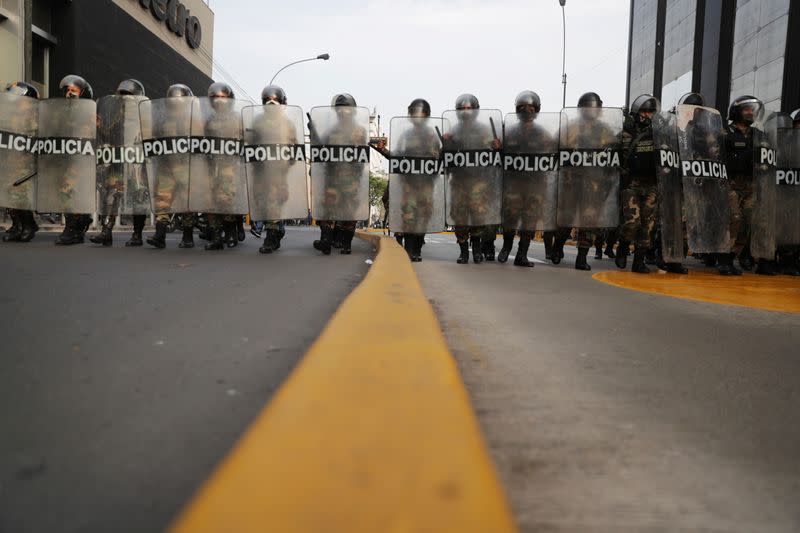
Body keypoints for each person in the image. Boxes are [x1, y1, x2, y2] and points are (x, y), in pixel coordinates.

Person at [498, 90, 559, 267]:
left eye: (531, 108)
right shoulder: (508, 132)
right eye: (523, 108)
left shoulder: (543, 134)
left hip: (536, 186)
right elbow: (499, 157)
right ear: (517, 110)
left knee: (529, 221)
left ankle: (522, 254)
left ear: (537, 110)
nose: (527, 111)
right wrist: (497, 148)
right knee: (510, 219)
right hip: (513, 185)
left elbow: (552, 157)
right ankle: (506, 248)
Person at [443, 94, 502, 264]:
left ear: (475, 111)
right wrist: (446, 144)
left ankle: (476, 250)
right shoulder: (453, 131)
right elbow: (446, 157)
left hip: (479, 183)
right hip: (459, 182)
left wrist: (498, 147)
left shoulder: (484, 130)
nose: (466, 112)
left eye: (469, 109)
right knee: (460, 219)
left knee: (478, 217)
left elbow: (494, 156)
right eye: (462, 109)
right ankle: (463, 252)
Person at [90, 79, 147, 246]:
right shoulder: (118, 120)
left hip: (136, 166)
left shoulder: (145, 119)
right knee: (112, 196)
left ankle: (137, 235)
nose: (123, 99)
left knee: (138, 198)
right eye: (121, 96)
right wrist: (100, 127)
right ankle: (106, 231)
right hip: (119, 165)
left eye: (128, 96)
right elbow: (109, 137)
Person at [311, 93, 368, 255]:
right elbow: (321, 152)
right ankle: (326, 241)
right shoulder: (331, 131)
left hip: (350, 179)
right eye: (340, 109)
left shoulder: (358, 130)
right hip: (332, 179)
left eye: (346, 109)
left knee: (348, 212)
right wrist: (314, 133)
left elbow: (359, 157)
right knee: (327, 209)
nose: (343, 112)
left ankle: (346, 244)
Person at [144, 83, 196, 249]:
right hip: (166, 167)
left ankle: (188, 237)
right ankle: (160, 235)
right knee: (162, 200)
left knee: (187, 203)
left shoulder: (195, 121)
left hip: (187, 167)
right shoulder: (161, 120)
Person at [616, 94, 660, 273]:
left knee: (647, 225)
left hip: (652, 184)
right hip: (631, 184)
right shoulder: (624, 134)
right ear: (636, 113)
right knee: (632, 222)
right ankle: (623, 246)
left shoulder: (660, 134)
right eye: (645, 111)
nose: (648, 115)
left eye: (651, 112)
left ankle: (639, 260)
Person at [54, 75, 95, 246]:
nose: (70, 94)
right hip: (66, 160)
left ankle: (71, 227)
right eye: (68, 91)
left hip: (82, 161)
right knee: (67, 192)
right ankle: (80, 224)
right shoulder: (62, 113)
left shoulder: (91, 114)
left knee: (69, 191)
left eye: (74, 91)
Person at [1, 81, 39, 243]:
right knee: (8, 193)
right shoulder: (9, 117)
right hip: (10, 162)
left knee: (20, 195)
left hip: (26, 164)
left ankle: (28, 225)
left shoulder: (35, 119)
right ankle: (17, 225)